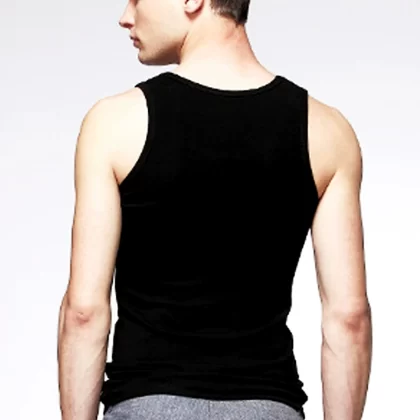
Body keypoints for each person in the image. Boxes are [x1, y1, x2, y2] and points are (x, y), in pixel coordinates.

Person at [57, 0, 373, 419]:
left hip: (148, 405)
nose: (125, 16)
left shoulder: (113, 124)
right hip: (268, 407)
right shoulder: (328, 132)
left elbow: (84, 313)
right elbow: (348, 318)